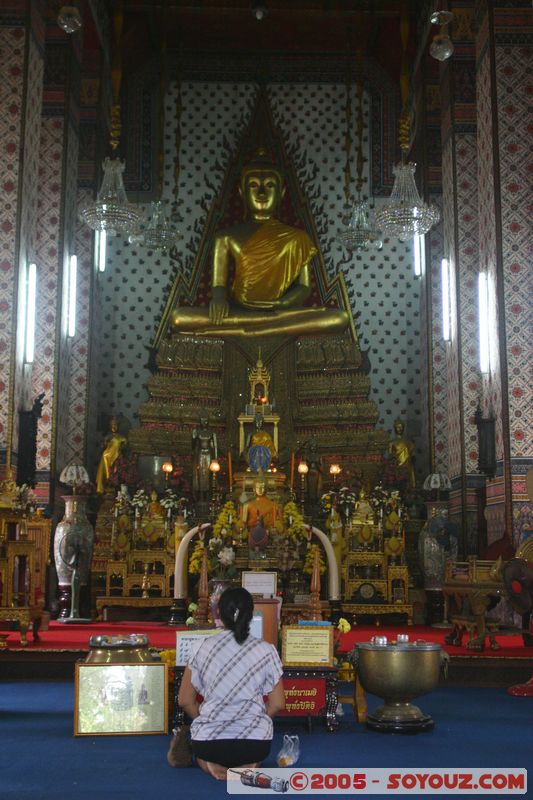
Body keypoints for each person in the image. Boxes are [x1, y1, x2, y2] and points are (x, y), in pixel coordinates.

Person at [172, 148, 348, 337]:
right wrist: (218, 299)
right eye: (254, 185)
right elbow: (219, 284)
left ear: (281, 192)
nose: (262, 193)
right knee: (179, 317)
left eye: (270, 185)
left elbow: (304, 288)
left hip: (280, 313)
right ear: (242, 191)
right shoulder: (225, 237)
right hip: (238, 313)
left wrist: (282, 303)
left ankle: (248, 332)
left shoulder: (298, 237)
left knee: (339, 317)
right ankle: (256, 330)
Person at [177, 587, 285, 780]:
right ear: (251, 615)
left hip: (210, 743)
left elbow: (185, 700)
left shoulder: (201, 647)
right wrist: (256, 718)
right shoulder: (266, 650)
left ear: (218, 613)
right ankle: (249, 766)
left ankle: (210, 765)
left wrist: (206, 718)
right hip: (254, 744)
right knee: (256, 745)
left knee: (202, 749)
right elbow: (278, 703)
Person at [95, 417, 127, 494]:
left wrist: (122, 450)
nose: (114, 427)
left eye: (115, 425)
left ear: (118, 426)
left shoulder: (122, 437)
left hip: (117, 456)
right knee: (106, 472)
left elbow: (125, 447)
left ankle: (114, 485)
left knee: (116, 471)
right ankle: (106, 483)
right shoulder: (107, 436)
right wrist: (104, 442)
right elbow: (103, 446)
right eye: (112, 425)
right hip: (106, 457)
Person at [192, 413, 217, 500]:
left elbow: (215, 447)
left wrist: (215, 460)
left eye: (206, 420)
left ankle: (208, 496)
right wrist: (194, 437)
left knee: (209, 475)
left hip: (209, 454)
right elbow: (193, 446)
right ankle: (201, 496)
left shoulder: (212, 433)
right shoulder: (197, 432)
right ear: (199, 421)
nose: (204, 422)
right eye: (202, 420)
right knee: (201, 475)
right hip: (200, 454)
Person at [387, 419, 416, 488]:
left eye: (401, 427)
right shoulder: (392, 443)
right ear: (394, 428)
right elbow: (390, 456)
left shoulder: (408, 442)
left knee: (408, 483)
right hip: (396, 466)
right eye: (398, 427)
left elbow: (413, 456)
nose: (400, 429)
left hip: (407, 465)